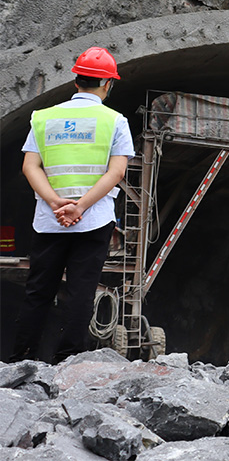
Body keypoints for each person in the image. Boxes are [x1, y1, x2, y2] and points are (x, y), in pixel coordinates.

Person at [10, 47, 134, 363]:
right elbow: (117, 172)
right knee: (81, 292)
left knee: (39, 291)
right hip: (93, 221)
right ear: (108, 84)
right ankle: (68, 360)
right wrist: (80, 207)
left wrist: (54, 202)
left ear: (76, 80)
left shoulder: (44, 118)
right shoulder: (116, 122)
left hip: (50, 220)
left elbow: (30, 167)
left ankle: (23, 358)